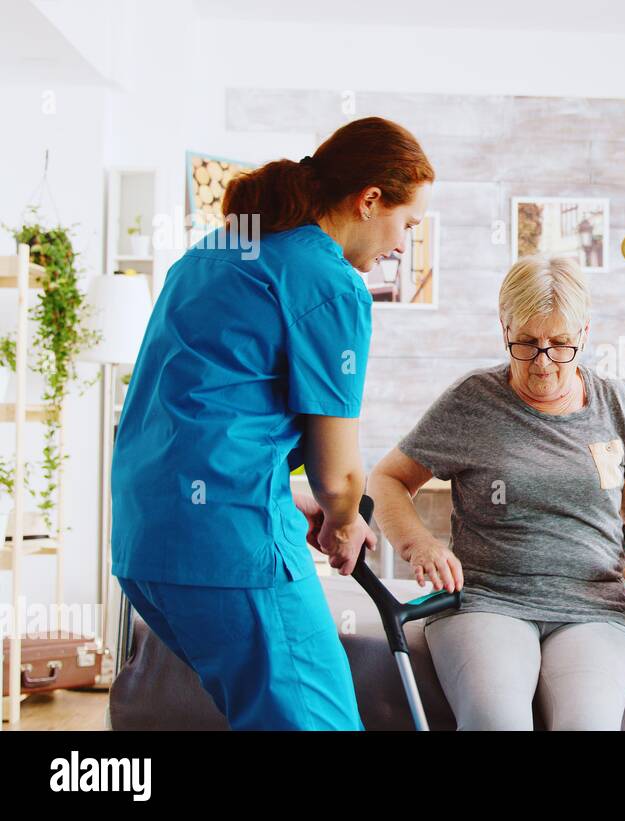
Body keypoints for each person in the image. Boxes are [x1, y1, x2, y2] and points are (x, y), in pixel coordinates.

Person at [111, 117, 434, 730]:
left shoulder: (215, 252)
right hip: (227, 550)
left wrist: (289, 495)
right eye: (407, 224)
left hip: (146, 546)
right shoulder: (330, 282)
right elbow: (340, 476)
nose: (402, 245)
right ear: (370, 200)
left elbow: (201, 413)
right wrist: (342, 520)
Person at [368, 255, 625, 730]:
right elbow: (386, 479)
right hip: (487, 600)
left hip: (593, 606)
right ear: (503, 327)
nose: (543, 362)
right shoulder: (473, 400)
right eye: (527, 343)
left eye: (561, 345)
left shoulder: (614, 401)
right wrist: (419, 544)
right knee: (496, 722)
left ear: (585, 334)